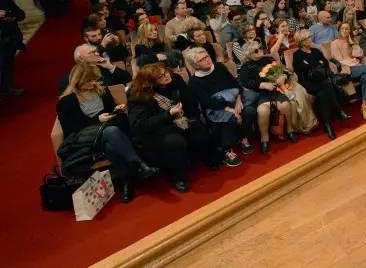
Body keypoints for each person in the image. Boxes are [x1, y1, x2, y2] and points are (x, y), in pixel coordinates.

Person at [57, 63, 159, 203]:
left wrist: (118, 110)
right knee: (111, 131)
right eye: (89, 80)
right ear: (78, 81)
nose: (93, 83)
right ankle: (138, 164)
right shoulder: (66, 102)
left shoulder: (102, 92)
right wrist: (96, 120)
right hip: (86, 139)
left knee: (111, 145)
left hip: (110, 133)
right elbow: (70, 130)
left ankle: (126, 182)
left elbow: (111, 110)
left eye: (95, 79)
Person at [127, 63, 221, 193]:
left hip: (179, 121)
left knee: (198, 129)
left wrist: (192, 118)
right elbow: (141, 125)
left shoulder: (175, 80)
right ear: (151, 82)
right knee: (175, 141)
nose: (166, 76)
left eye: (165, 72)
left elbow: (189, 101)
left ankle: (208, 159)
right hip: (157, 132)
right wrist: (168, 114)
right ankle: (178, 177)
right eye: (161, 76)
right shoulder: (139, 96)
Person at [185, 47, 258, 166]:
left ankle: (242, 137)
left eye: (207, 56)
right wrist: (231, 110)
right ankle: (227, 150)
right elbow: (208, 102)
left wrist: (238, 100)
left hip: (233, 100)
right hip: (215, 109)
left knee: (249, 111)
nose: (207, 60)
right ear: (196, 65)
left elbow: (235, 84)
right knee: (232, 117)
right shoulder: (194, 81)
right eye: (202, 59)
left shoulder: (219, 67)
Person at [238, 41, 315, 151]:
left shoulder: (269, 59)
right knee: (263, 110)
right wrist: (262, 84)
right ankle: (264, 138)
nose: (260, 50)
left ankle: (290, 130)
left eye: (260, 48)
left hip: (276, 90)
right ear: (249, 54)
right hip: (261, 94)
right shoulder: (246, 66)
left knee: (285, 106)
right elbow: (244, 82)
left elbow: (284, 70)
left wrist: (283, 76)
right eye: (256, 50)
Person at [292, 30, 351, 140]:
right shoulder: (297, 55)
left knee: (322, 94)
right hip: (309, 83)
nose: (310, 40)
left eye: (310, 37)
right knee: (326, 85)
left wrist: (311, 65)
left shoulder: (315, 51)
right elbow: (300, 70)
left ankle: (327, 125)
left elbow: (325, 64)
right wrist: (315, 64)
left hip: (322, 80)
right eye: (306, 39)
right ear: (300, 42)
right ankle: (338, 110)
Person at [59, 44, 132, 94]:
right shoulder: (69, 79)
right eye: (92, 52)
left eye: (96, 51)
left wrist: (110, 67)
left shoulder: (103, 67)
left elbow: (128, 79)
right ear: (81, 59)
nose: (97, 54)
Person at [0, 0, 26, 98]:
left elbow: (21, 14)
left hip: (9, 38)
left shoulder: (6, 0)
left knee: (8, 64)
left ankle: (8, 88)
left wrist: (10, 15)